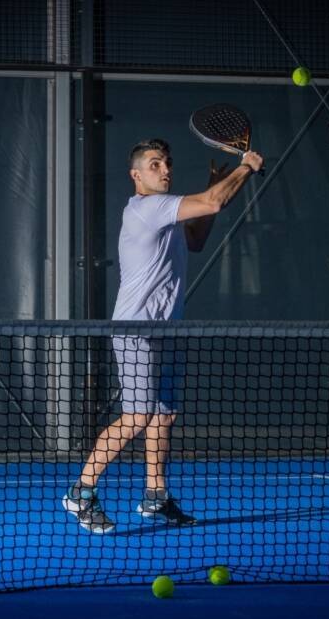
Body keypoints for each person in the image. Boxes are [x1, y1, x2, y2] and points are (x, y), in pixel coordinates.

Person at [62, 138, 264, 533]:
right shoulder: (147, 208)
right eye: (155, 164)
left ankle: (156, 496)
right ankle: (80, 492)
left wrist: (216, 184)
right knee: (137, 416)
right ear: (136, 175)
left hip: (167, 327)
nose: (165, 169)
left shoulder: (167, 215)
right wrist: (245, 167)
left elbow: (197, 238)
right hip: (137, 329)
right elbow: (213, 202)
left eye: (167, 163)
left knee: (163, 415)